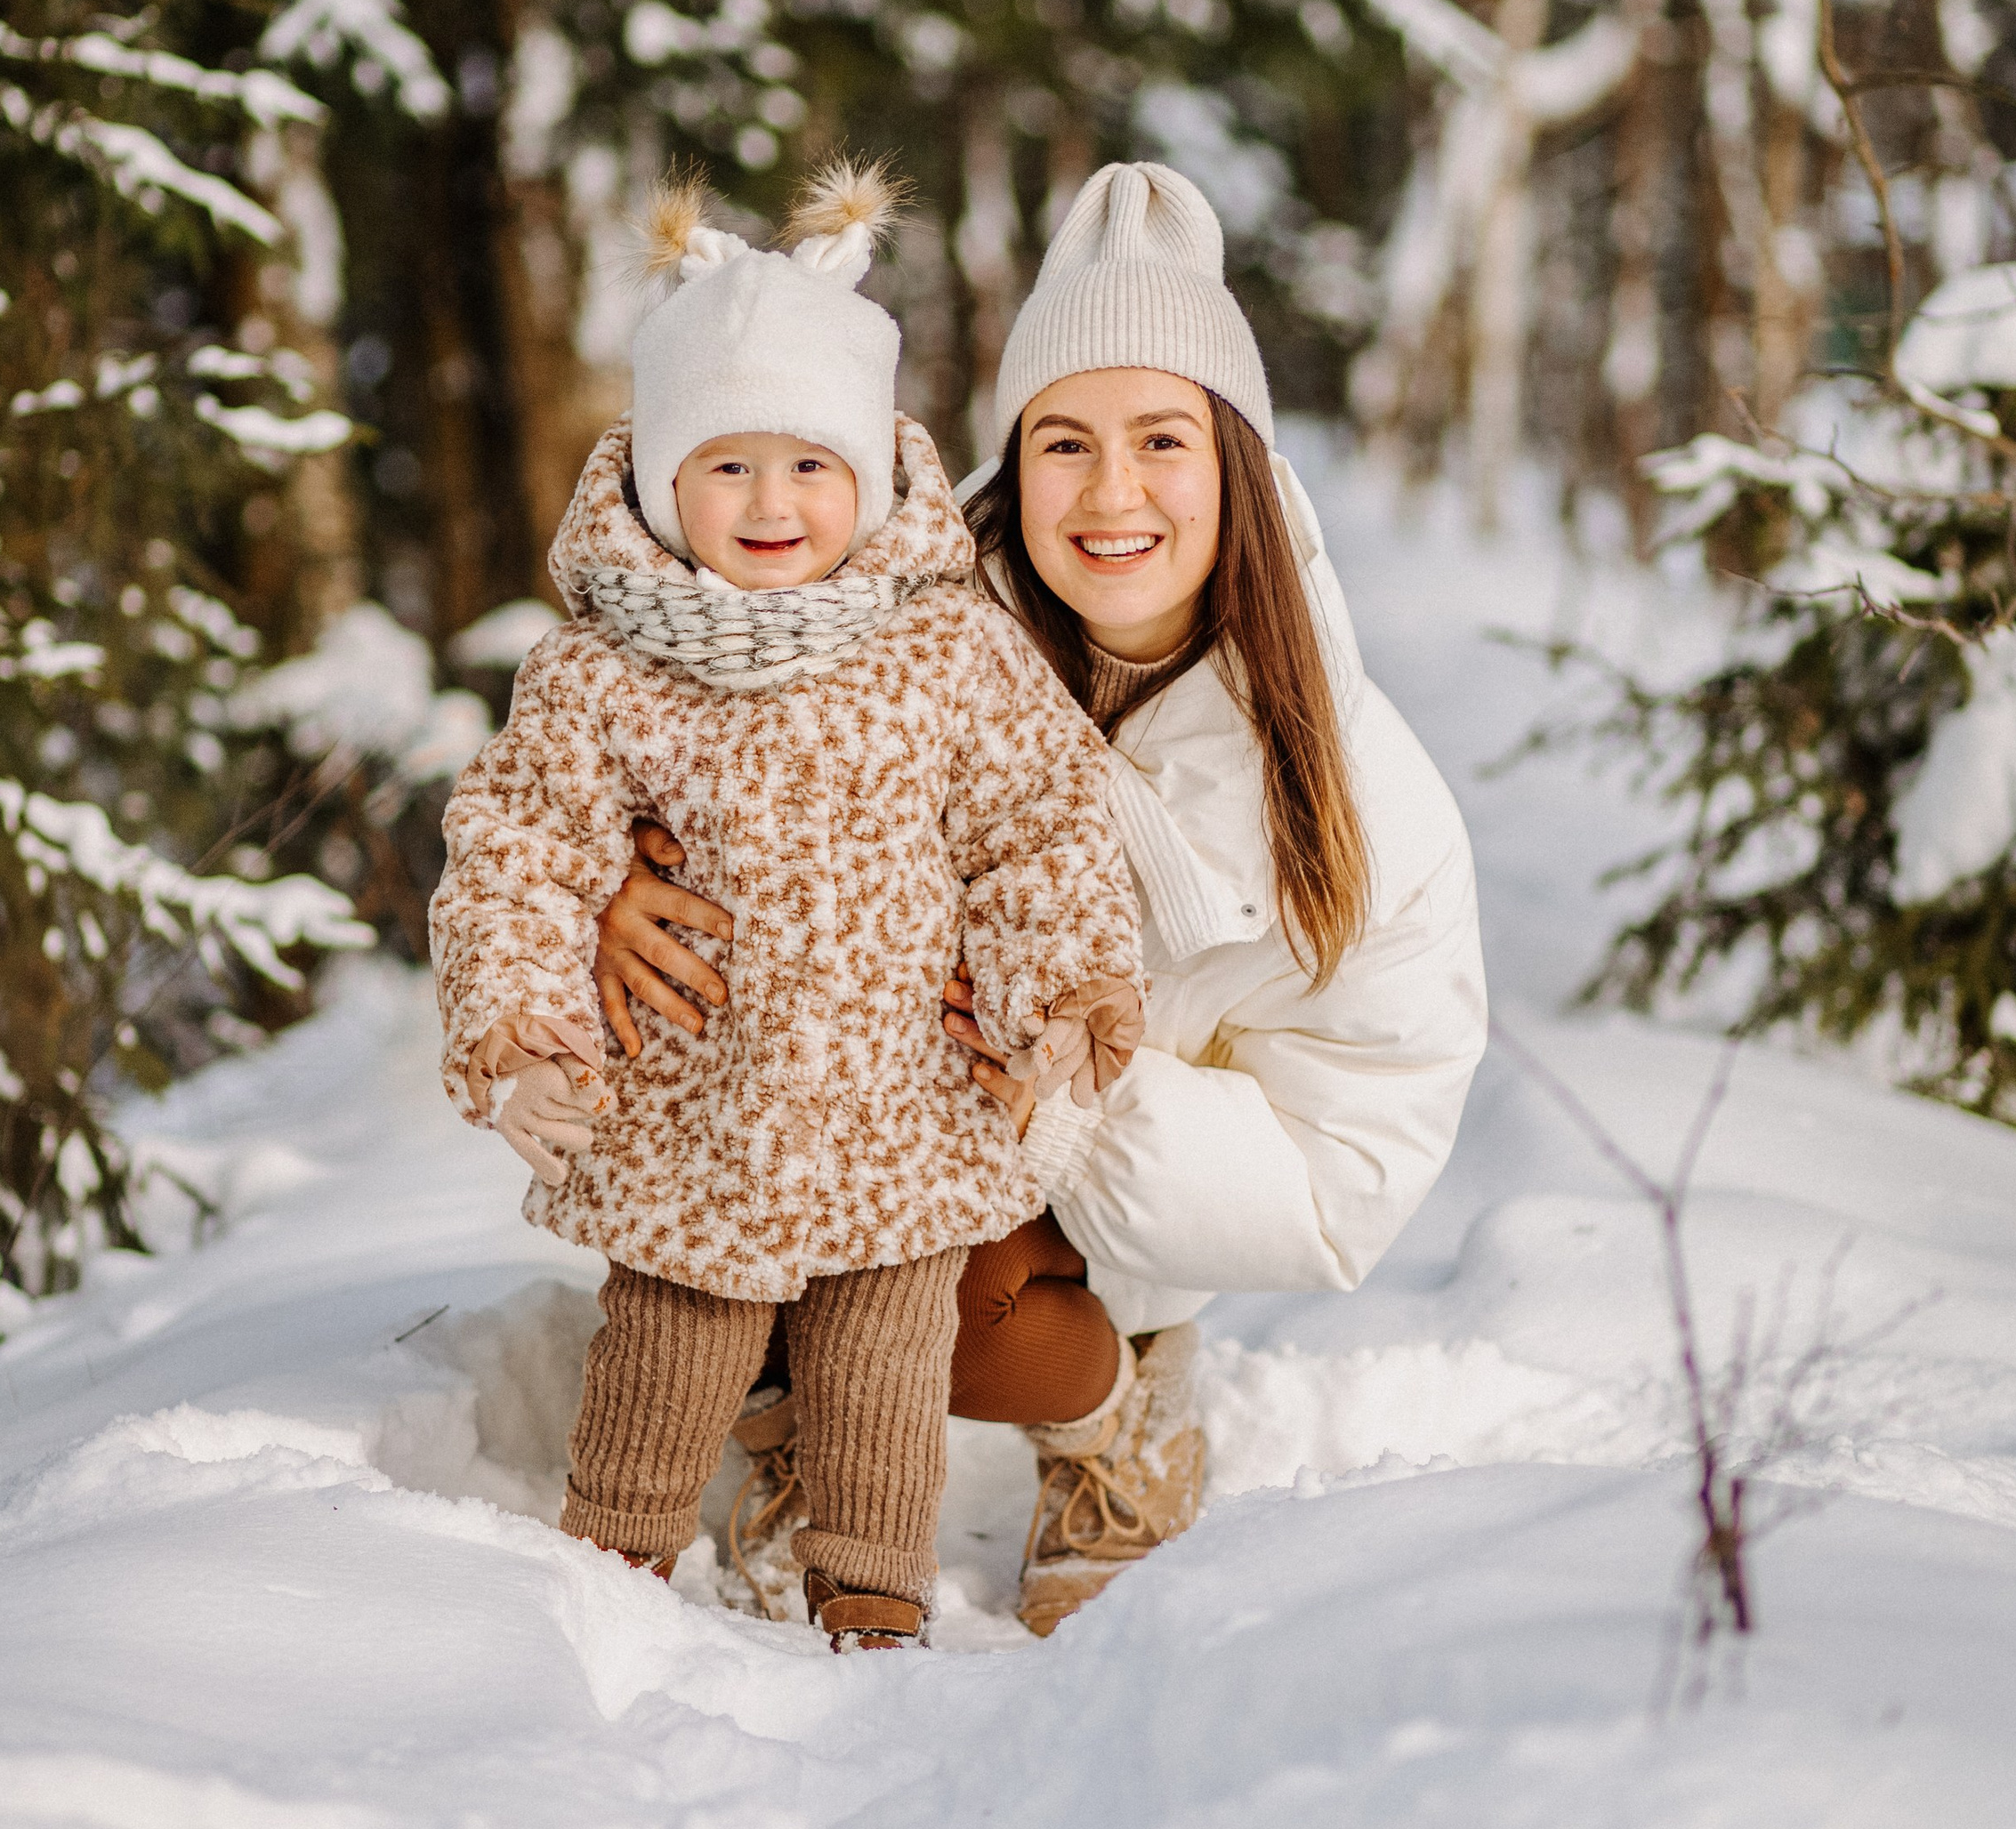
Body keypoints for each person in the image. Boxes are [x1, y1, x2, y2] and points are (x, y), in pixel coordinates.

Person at [593, 162, 1487, 1635]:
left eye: (1163, 441)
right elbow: (641, 758)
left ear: (1241, 468)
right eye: (1064, 442)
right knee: (722, 1216)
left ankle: (1115, 1421)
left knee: (967, 1314)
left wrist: (1081, 1080)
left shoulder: (1353, 792)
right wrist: (623, 895)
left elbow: (1350, 1168)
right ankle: (790, 1422)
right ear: (1013, 464)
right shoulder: (890, 636)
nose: (1112, 493)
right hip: (828, 1118)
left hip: (1110, 1210)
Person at [430, 165, 1144, 1651]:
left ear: (874, 474)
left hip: (903, 1109)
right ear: (662, 480)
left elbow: (1040, 822)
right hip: (695, 1113)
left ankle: (873, 1587)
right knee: (666, 1349)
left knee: (886, 1356)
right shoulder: (602, 669)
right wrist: (519, 1026)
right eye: (729, 466)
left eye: (809, 466)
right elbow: (519, 844)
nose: (771, 504)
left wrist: (1063, 1000)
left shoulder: (949, 652)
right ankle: (607, 1571)